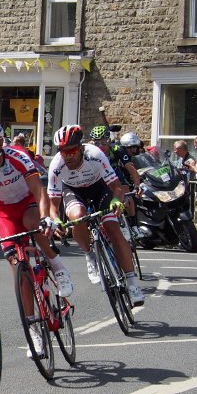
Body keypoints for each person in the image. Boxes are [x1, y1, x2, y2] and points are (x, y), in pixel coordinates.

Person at [0, 119, 74, 358]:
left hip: (30, 203)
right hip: (6, 213)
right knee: (18, 270)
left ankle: (57, 265)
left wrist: (47, 218)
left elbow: (38, 190)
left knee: (33, 223)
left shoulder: (18, 157)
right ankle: (34, 330)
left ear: (0, 143)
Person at [47, 125, 145, 305]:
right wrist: (55, 220)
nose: (68, 155)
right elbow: (52, 206)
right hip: (73, 191)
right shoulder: (56, 166)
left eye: (72, 150)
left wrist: (116, 201)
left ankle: (132, 283)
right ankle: (89, 256)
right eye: (63, 151)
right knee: (77, 216)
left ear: (81, 147)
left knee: (113, 228)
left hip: (100, 188)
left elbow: (116, 186)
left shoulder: (95, 154)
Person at [88, 125, 142, 238]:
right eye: (96, 143)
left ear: (109, 140)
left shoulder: (117, 149)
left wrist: (137, 186)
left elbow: (131, 169)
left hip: (115, 176)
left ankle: (133, 226)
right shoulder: (89, 150)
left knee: (127, 196)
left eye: (103, 142)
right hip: (98, 178)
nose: (100, 146)